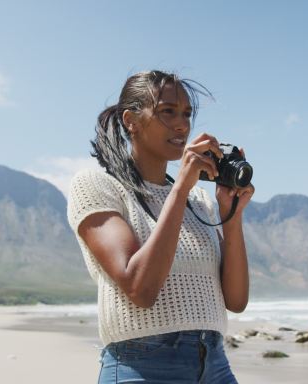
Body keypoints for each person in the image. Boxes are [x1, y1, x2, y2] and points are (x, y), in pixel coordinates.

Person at [67, 70, 254, 383]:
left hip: (214, 364)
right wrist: (180, 188)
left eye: (187, 114)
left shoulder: (199, 201)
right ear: (131, 121)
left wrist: (231, 215)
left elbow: (236, 301)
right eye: (168, 111)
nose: (182, 124)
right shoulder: (96, 186)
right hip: (143, 366)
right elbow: (140, 288)